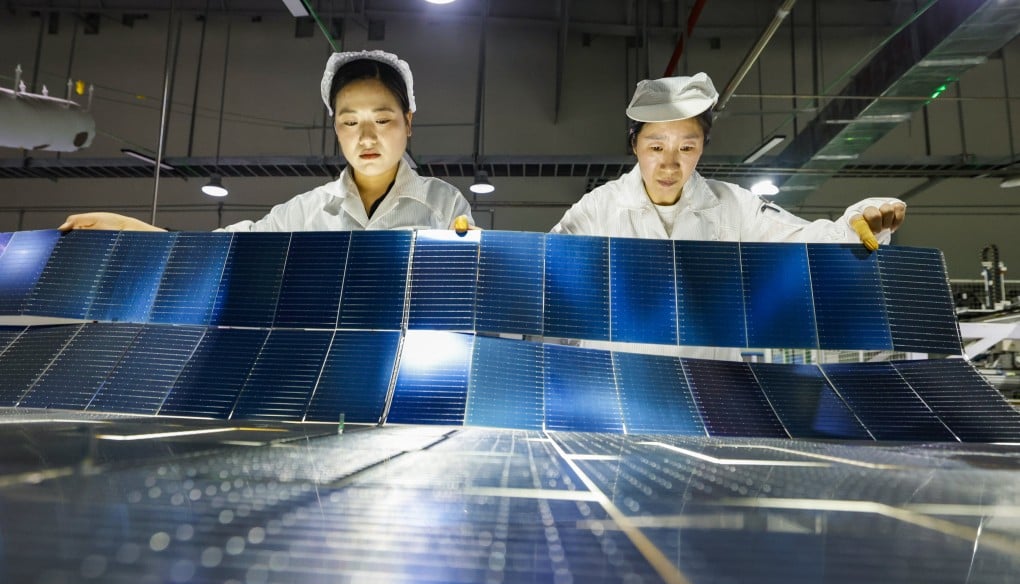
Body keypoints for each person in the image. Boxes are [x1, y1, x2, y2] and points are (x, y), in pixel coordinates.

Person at [59, 50, 473, 233]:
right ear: (336, 128)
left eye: (382, 119)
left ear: (408, 122)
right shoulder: (307, 213)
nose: (366, 136)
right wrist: (133, 228)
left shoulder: (443, 205)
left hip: (414, 376)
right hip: (319, 374)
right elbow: (232, 248)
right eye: (350, 122)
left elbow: (467, 290)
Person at [552, 72, 905, 244]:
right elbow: (543, 272)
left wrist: (855, 226)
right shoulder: (598, 209)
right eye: (656, 147)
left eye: (686, 148)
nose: (671, 163)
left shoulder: (734, 208)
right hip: (616, 384)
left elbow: (806, 239)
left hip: (711, 385)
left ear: (703, 146)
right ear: (635, 145)